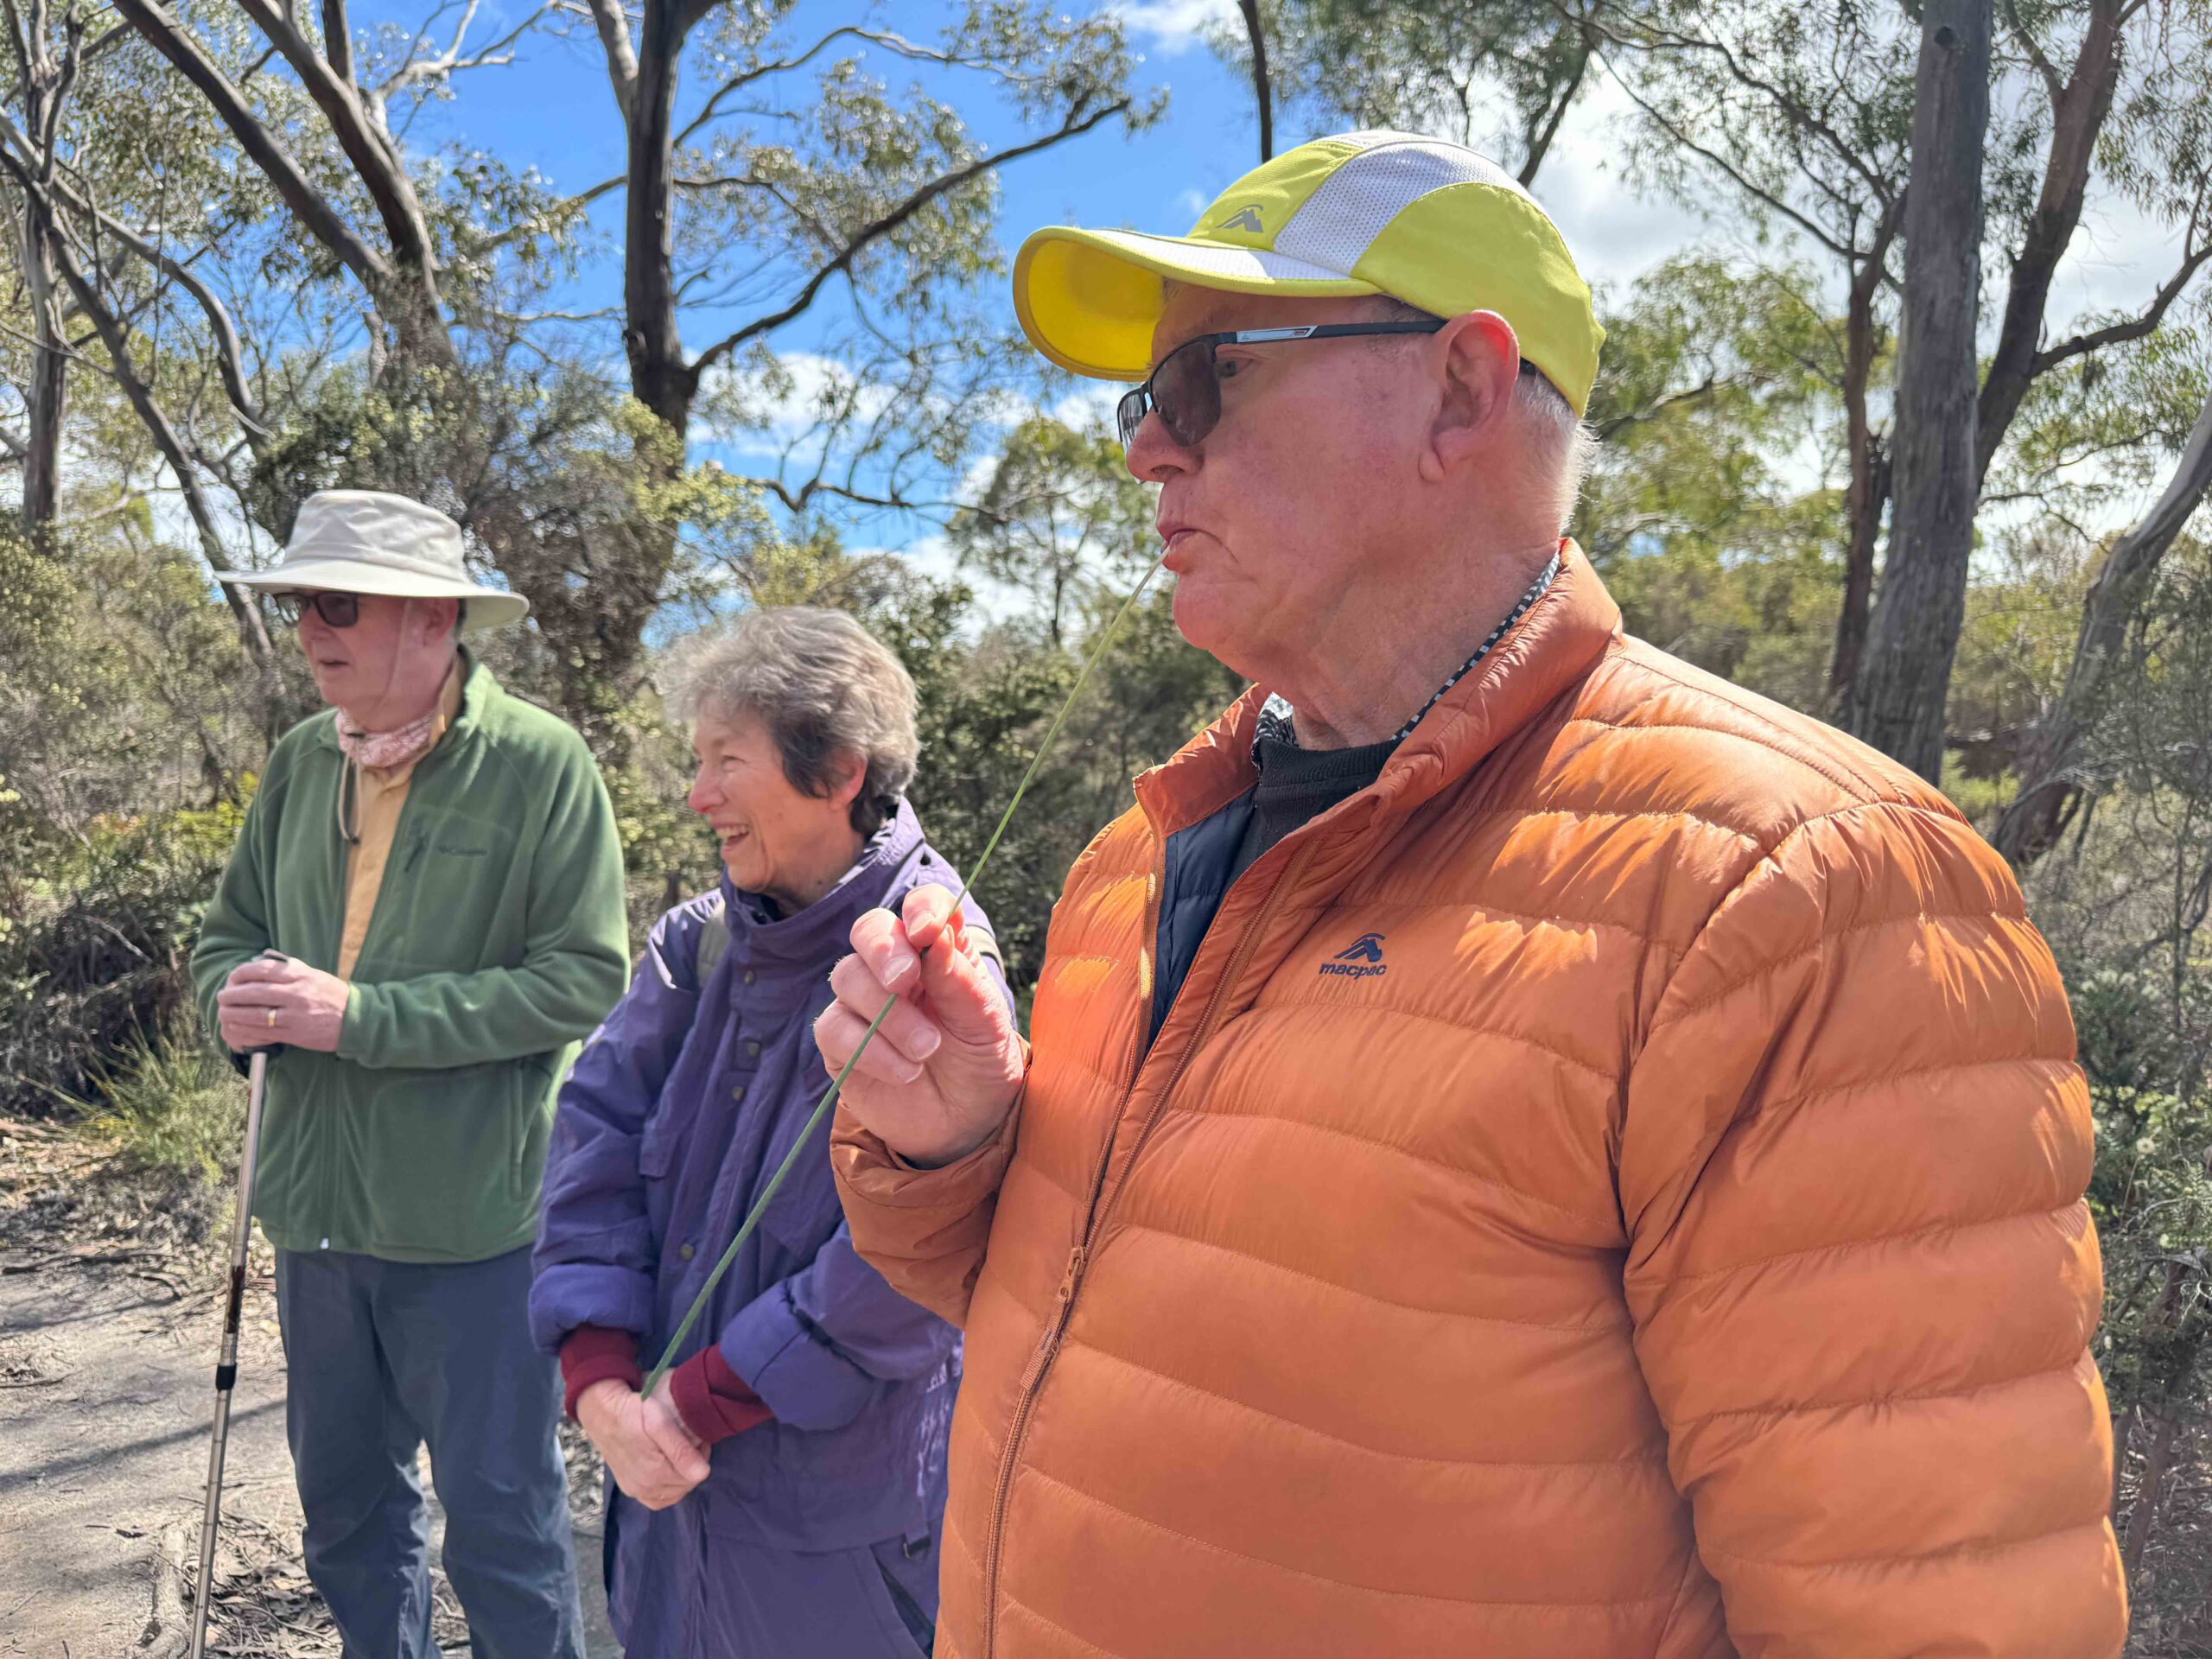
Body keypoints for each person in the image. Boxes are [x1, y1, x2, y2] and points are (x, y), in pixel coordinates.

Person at [816, 132, 2127, 1657]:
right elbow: (1088, 1334)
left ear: (1459, 389)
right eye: (1143, 403)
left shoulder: (1798, 894)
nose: (1147, 451)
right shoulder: (1139, 859)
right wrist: (957, 1148)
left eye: (1207, 382)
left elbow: (1936, 1614)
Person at [191, 489, 629, 1659]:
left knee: (504, 1528)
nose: (307, 629)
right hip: (312, 1215)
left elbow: (582, 979)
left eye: (337, 604)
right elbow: (226, 938)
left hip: (474, 1228)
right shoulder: (300, 762)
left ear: (434, 619)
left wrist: (363, 1019)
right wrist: (230, 1000)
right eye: (299, 604)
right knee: (346, 1517)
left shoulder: (542, 764)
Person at [531, 606, 1008, 1657]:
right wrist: (600, 1379)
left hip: (841, 1542)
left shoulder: (936, 962)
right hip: (665, 1514)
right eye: (697, 761)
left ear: (837, 771)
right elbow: (593, 1143)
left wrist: (702, 1401)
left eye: (726, 761)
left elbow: (921, 1258)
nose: (697, 795)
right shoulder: (694, 945)